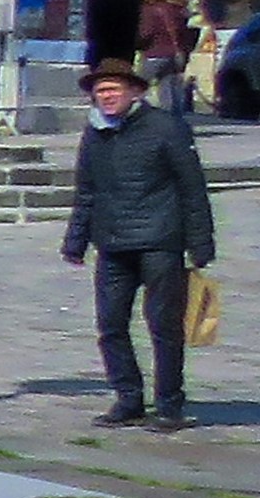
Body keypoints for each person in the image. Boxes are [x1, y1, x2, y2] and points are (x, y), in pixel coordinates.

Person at [64, 58, 216, 432]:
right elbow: (86, 191)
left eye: (113, 89)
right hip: (112, 243)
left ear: (134, 91)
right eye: (100, 91)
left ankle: (169, 405)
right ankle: (128, 398)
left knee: (164, 325)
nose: (107, 96)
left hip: (159, 241)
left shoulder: (166, 128)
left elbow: (192, 188)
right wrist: (76, 239)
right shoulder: (95, 133)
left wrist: (200, 243)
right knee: (110, 323)